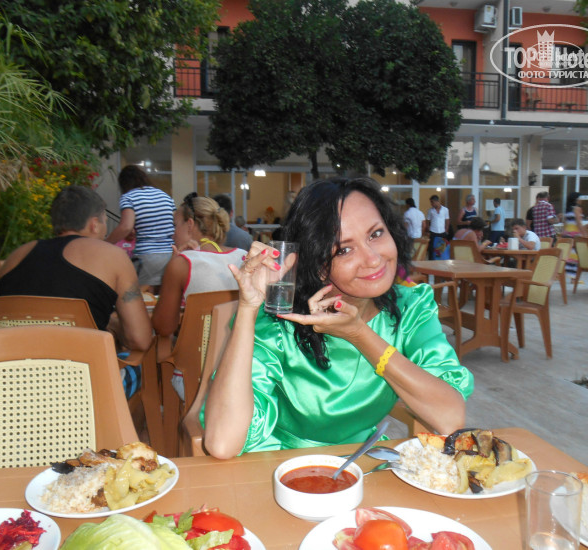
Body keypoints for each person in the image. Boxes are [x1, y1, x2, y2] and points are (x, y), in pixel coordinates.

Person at [203, 177, 473, 459]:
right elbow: (222, 443)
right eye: (344, 249)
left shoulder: (410, 308)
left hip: (362, 464)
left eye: (376, 234)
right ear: (319, 266)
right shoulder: (280, 322)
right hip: (279, 468)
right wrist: (248, 308)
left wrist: (359, 334)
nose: (373, 258)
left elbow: (450, 417)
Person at [0, 186, 153, 398]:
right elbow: (140, 340)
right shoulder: (112, 256)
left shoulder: (15, 257)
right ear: (94, 224)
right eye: (105, 222)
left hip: (14, 387)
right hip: (80, 390)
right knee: (142, 365)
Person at [152, 193, 247, 338]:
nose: (173, 234)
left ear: (190, 224)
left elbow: (163, 327)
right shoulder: (244, 257)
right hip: (242, 347)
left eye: (175, 225)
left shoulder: (181, 264)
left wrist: (172, 266)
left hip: (199, 350)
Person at [106, 165, 176, 292]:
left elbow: (126, 227)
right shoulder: (165, 196)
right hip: (170, 254)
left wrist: (105, 243)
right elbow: (174, 223)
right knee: (162, 295)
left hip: (146, 256)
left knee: (136, 295)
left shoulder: (128, 197)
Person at [424, 195, 450, 259]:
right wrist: (428, 230)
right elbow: (427, 220)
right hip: (433, 231)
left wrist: (446, 229)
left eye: (432, 202)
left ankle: (441, 260)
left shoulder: (445, 210)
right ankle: (431, 261)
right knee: (432, 248)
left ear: (437, 201)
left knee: (442, 248)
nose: (431, 204)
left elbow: (447, 220)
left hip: (442, 232)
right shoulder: (430, 211)